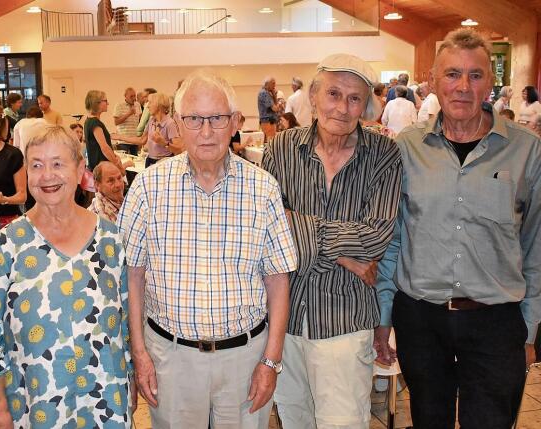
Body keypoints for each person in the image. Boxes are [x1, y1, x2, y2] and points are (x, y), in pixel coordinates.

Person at [375, 28, 541, 429]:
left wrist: (531, 330)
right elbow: (393, 239)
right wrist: (384, 316)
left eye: (475, 75)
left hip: (496, 322)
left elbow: (536, 245)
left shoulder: (526, 150)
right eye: (452, 74)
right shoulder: (407, 149)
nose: (463, 87)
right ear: (433, 81)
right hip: (421, 321)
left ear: (491, 81)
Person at [118, 69, 297, 429]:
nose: (205, 131)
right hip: (171, 358)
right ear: (178, 125)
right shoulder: (147, 188)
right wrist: (139, 354)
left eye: (216, 119)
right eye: (194, 119)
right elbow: (131, 276)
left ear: (233, 123)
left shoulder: (263, 189)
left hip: (245, 359)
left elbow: (278, 281)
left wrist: (271, 361)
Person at [262, 53, 402, 429]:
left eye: (354, 98)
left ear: (366, 106)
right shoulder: (280, 149)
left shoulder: (384, 155)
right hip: (285, 320)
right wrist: (346, 257)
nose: (342, 107)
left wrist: (301, 228)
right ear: (313, 96)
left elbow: (374, 239)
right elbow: (267, 231)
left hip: (345, 323)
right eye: (334, 94)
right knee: (295, 421)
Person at [0, 124, 133, 428]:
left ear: (80, 168)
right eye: (37, 165)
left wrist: (131, 380)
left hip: (104, 403)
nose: (47, 175)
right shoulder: (9, 242)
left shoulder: (110, 239)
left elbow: (123, 326)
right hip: (35, 405)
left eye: (58, 164)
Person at [111, 92, 182, 167]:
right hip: (150, 161)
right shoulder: (151, 120)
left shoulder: (170, 123)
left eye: (150, 102)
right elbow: (142, 140)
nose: (147, 106)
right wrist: (120, 137)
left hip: (163, 164)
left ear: (158, 105)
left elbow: (178, 150)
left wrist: (164, 143)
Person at [84, 90, 124, 173]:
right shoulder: (95, 123)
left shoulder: (89, 121)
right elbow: (105, 148)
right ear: (97, 103)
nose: (108, 103)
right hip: (102, 169)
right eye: (105, 101)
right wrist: (118, 166)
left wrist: (114, 156)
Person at [114, 87, 142, 155]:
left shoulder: (137, 105)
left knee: (135, 162)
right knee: (124, 161)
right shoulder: (119, 105)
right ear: (125, 96)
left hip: (135, 140)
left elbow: (140, 121)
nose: (133, 98)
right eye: (131, 96)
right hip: (123, 141)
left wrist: (140, 138)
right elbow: (116, 122)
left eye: (134, 96)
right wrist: (129, 113)